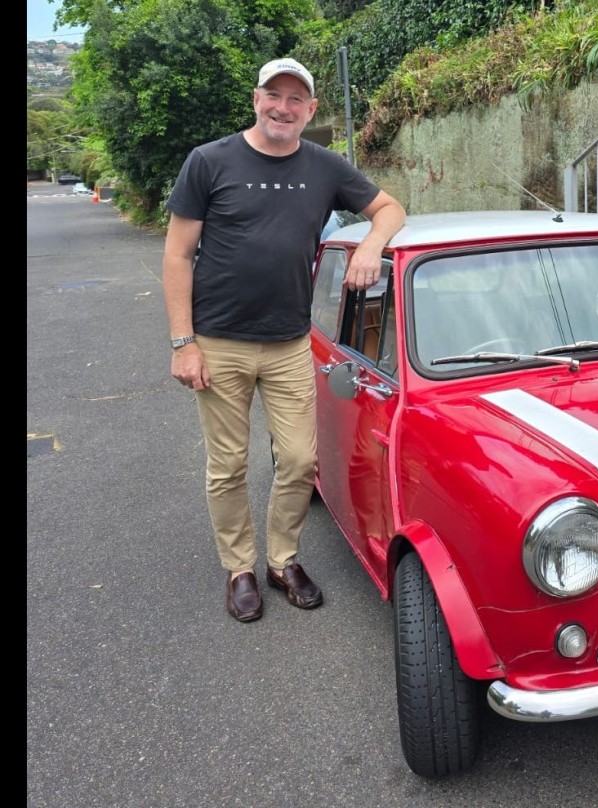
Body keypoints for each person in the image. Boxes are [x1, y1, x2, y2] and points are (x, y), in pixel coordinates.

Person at [162, 57, 406, 623]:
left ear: (311, 110)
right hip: (218, 342)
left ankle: (281, 558)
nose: (283, 107)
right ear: (256, 99)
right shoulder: (209, 161)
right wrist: (183, 343)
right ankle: (240, 568)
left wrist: (371, 246)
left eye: (296, 99)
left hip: (291, 342)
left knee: (299, 459)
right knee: (228, 465)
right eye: (275, 95)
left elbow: (390, 208)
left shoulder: (324, 167)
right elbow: (177, 255)